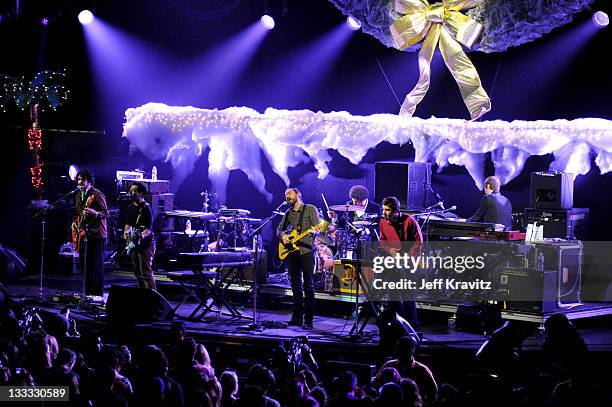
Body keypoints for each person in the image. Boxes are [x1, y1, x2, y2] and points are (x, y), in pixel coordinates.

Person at [277, 188, 320, 329]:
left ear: (298, 195)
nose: (286, 196)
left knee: (308, 285)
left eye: (289, 193)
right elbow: (279, 229)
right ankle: (296, 318)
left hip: (306, 251)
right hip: (292, 252)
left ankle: (308, 320)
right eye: (285, 194)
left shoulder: (310, 209)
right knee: (295, 286)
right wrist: (283, 236)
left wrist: (315, 232)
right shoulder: (288, 212)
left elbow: (318, 227)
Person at [379, 196, 422, 328]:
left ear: (396, 210)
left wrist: (407, 258)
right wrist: (390, 250)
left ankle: (413, 328)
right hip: (393, 262)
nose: (384, 213)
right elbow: (383, 241)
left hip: (408, 263)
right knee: (393, 296)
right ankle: (399, 325)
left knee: (408, 297)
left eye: (387, 210)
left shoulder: (410, 221)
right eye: (383, 209)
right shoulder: (383, 222)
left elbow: (418, 242)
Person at [74, 170, 109, 298]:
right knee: (86, 266)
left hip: (98, 234)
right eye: (78, 179)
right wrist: (75, 224)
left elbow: (106, 213)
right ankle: (88, 295)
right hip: (85, 234)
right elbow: (78, 213)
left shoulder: (96, 194)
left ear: (88, 180)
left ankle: (98, 295)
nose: (80, 182)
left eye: (82, 179)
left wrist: (96, 213)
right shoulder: (78, 195)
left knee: (97, 266)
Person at [123, 182, 156, 290]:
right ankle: (142, 297)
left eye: (134, 191)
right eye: (131, 190)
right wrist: (126, 234)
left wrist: (142, 235)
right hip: (135, 244)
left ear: (141, 193)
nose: (131, 193)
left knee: (145, 272)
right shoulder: (130, 207)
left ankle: (153, 297)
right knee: (137, 272)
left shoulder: (146, 208)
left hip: (146, 244)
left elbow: (149, 229)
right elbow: (128, 224)